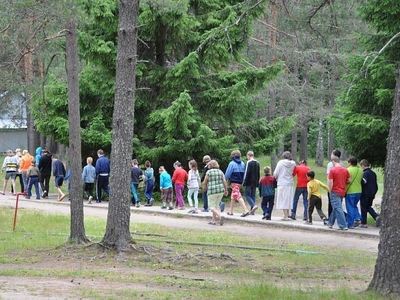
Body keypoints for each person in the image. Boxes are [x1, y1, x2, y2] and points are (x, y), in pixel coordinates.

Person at [225, 150, 250, 217]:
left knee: (238, 196)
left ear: (233, 156)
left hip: (234, 182)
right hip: (240, 182)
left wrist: (225, 179)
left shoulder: (232, 163)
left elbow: (228, 173)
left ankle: (245, 210)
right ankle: (230, 211)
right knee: (233, 196)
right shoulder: (242, 163)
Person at [202, 160, 228, 225]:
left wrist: (204, 188)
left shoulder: (209, 172)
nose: (208, 166)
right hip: (220, 191)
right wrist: (226, 190)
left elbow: (205, 181)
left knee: (211, 207)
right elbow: (224, 181)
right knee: (216, 206)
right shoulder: (220, 171)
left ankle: (220, 216)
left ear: (211, 165)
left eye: (209, 165)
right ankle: (213, 221)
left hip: (212, 191)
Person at [327, 155, 350, 230]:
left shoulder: (332, 170)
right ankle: (330, 223)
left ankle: (343, 225)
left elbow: (331, 182)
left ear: (333, 161)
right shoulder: (345, 170)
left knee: (338, 208)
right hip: (342, 192)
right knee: (336, 207)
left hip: (335, 191)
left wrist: (330, 191)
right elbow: (349, 180)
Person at [273, 151, 296, 221]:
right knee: (288, 199)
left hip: (282, 182)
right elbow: (294, 172)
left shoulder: (280, 163)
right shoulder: (293, 163)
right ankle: (287, 214)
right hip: (290, 183)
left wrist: (276, 177)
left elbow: (275, 173)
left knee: (283, 199)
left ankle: (285, 216)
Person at [360, 159, 380, 228]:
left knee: (363, 208)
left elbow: (364, 182)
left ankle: (364, 223)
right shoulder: (373, 173)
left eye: (361, 166)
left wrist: (360, 180)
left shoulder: (365, 173)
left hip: (365, 193)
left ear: (363, 165)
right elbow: (375, 185)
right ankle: (376, 216)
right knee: (368, 207)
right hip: (372, 193)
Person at [345, 157, 363, 228]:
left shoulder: (348, 170)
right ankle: (357, 218)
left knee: (350, 207)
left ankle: (350, 224)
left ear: (350, 163)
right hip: (359, 191)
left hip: (350, 191)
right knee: (354, 205)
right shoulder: (360, 170)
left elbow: (346, 180)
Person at [326, 149, 342, 217]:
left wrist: (329, 188)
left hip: (332, 187)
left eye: (332, 154)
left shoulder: (330, 164)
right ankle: (336, 218)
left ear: (335, 155)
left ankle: (331, 218)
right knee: (338, 204)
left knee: (331, 203)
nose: (331, 155)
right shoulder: (342, 164)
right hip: (340, 187)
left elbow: (328, 177)